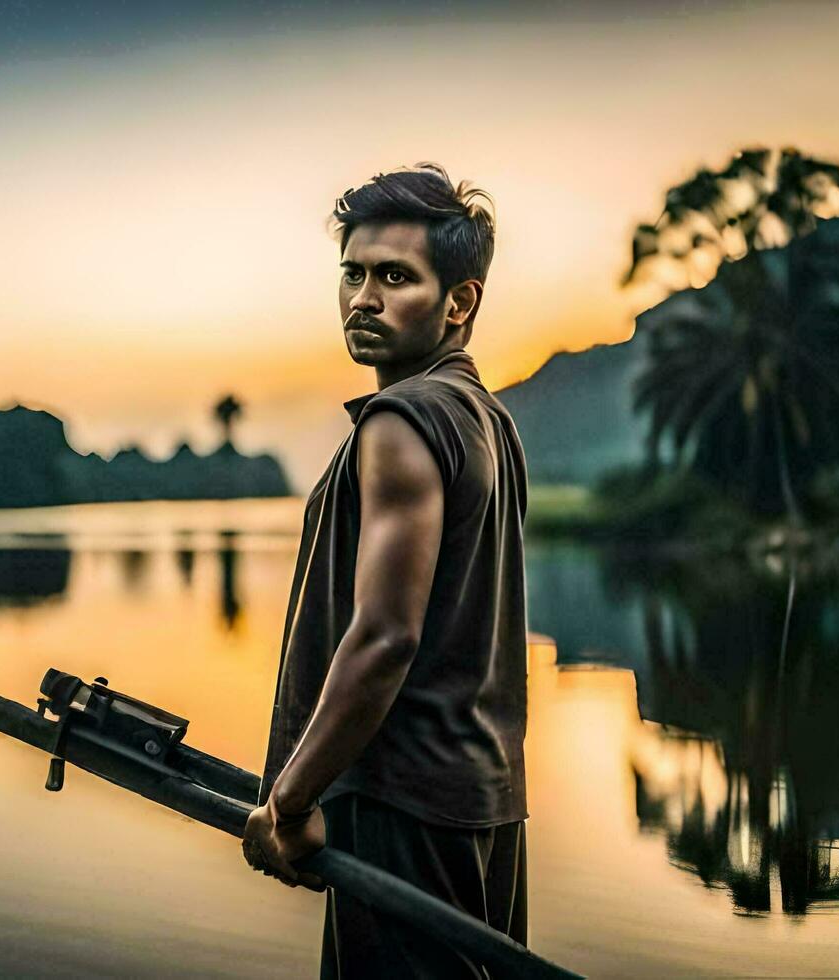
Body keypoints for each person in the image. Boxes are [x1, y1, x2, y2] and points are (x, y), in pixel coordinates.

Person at [241, 164, 530, 978]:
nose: (364, 298)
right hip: (482, 798)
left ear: (459, 302)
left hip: (407, 806)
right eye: (354, 273)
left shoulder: (401, 422)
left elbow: (384, 638)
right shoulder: (484, 418)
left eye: (396, 277)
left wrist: (291, 803)